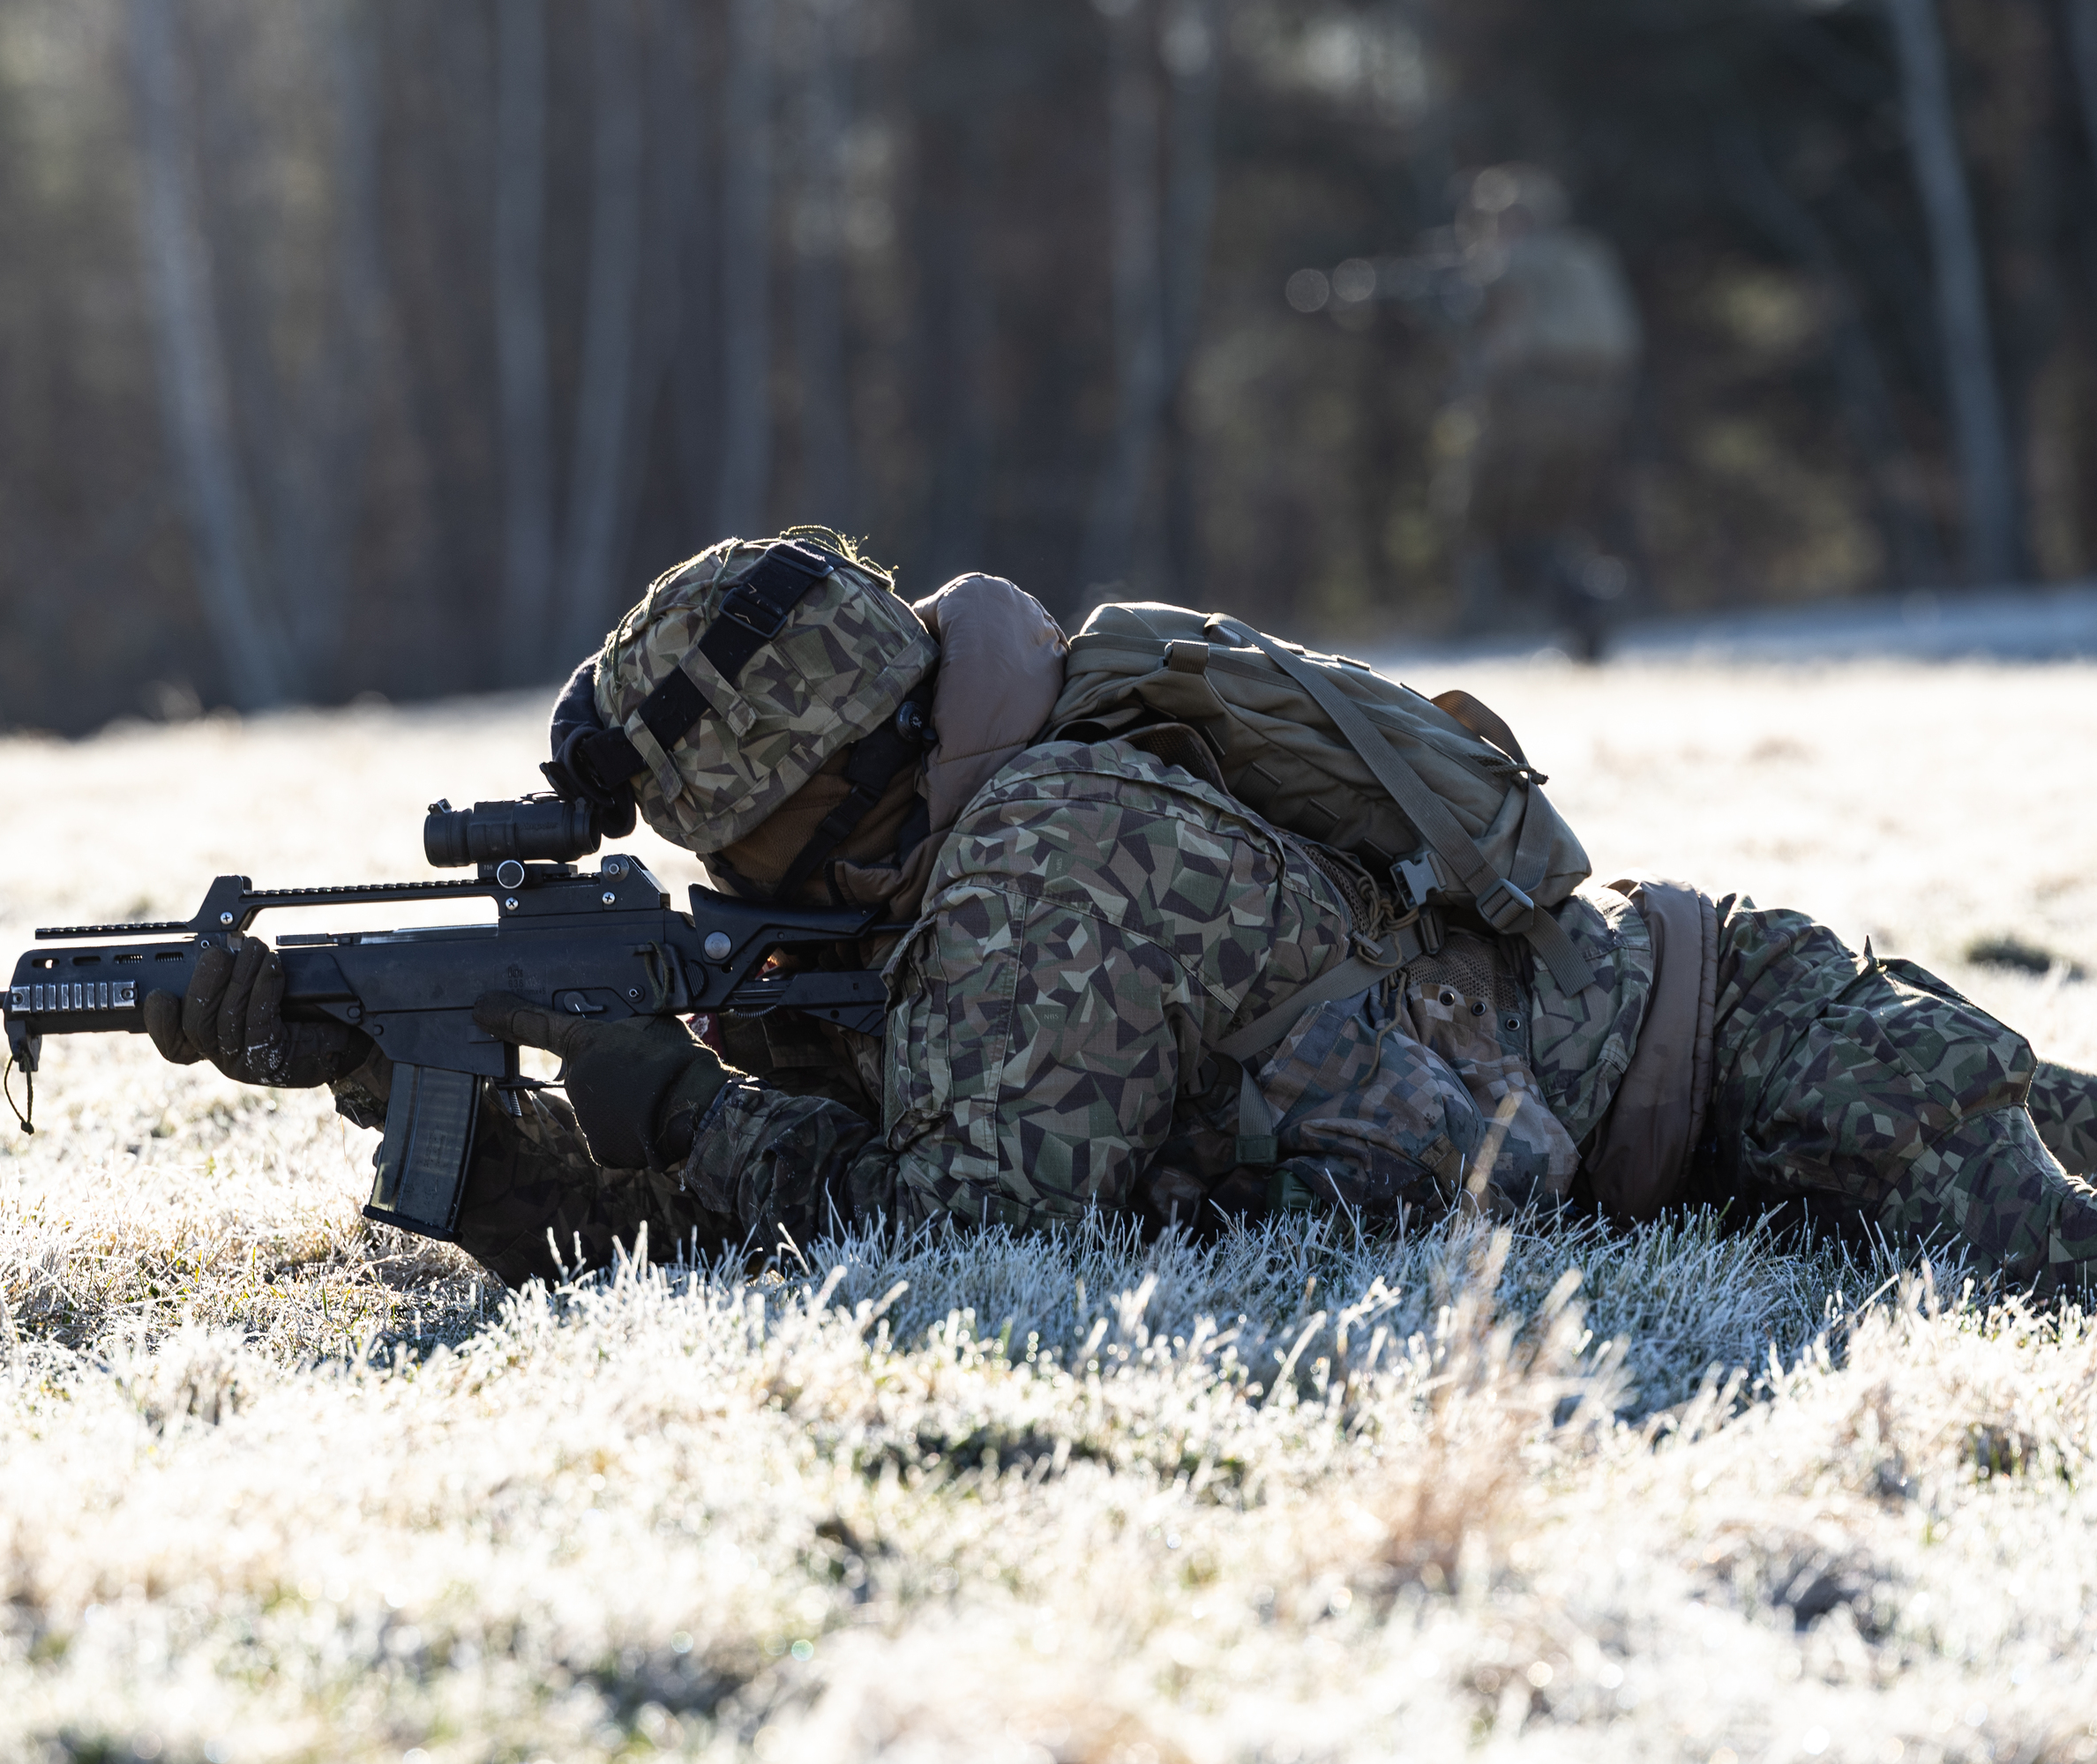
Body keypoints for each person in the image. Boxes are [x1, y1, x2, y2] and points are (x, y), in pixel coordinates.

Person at [145, 531, 2097, 1293]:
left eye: (734, 858)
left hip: (1757, 1058)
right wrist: (452, 1121)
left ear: (843, 811)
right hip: (1680, 1120)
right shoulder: (955, 832)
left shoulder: (1042, 856)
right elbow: (812, 1205)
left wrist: (678, 1108)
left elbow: (973, 1250)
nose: (719, 896)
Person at [1430, 164, 1641, 661]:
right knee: (1552, 522)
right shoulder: (1585, 257)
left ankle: (1588, 601)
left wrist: (1467, 375)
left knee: (1500, 525)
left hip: (1530, 413)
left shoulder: (1515, 265)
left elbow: (1502, 345)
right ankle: (1589, 605)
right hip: (1597, 413)